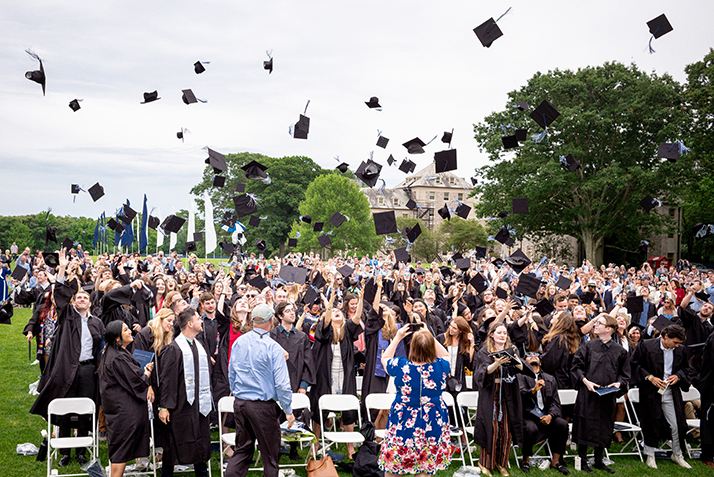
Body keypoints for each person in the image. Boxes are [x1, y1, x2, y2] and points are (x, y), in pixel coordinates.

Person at [30, 249, 104, 467]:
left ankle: (81, 451)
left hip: (88, 370)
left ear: (90, 303)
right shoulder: (67, 315)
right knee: (65, 408)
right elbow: (59, 295)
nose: (82, 299)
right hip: (67, 369)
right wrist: (61, 268)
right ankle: (64, 452)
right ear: (74, 302)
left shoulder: (96, 322)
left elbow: (101, 348)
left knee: (84, 409)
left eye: (85, 297)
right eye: (78, 297)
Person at [226, 303, 295, 477]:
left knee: (241, 450)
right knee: (270, 456)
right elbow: (282, 385)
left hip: (241, 402)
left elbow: (231, 373)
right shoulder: (273, 347)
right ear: (271, 320)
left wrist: (237, 393)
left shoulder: (240, 342)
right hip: (262, 406)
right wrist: (287, 409)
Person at [377, 325, 453, 476]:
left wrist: (398, 337)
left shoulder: (401, 366)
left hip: (403, 418)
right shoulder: (441, 366)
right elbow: (446, 356)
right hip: (432, 418)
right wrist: (429, 336)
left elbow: (385, 358)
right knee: (424, 463)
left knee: (395, 459)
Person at [473, 321, 534, 477]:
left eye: (505, 333)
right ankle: (485, 462)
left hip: (508, 393)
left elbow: (524, 370)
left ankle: (501, 463)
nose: (502, 335)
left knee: (506, 430)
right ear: (492, 334)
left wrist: (516, 361)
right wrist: (496, 364)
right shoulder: (484, 351)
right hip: (490, 393)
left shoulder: (512, 350)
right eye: (499, 332)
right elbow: (481, 373)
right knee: (491, 428)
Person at [570, 313, 630, 474]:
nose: (595, 325)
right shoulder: (588, 346)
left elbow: (625, 374)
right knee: (585, 424)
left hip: (607, 395)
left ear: (608, 329)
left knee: (604, 426)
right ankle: (582, 460)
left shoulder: (620, 351)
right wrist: (585, 381)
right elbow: (576, 367)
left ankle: (598, 460)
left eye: (599, 323)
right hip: (587, 393)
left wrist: (618, 383)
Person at [629, 324, 693, 469]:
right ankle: (650, 455)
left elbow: (686, 368)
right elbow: (634, 364)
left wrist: (678, 376)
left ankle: (677, 454)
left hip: (671, 391)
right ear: (665, 337)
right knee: (651, 422)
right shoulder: (646, 345)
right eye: (675, 342)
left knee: (677, 423)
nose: (677, 346)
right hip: (650, 392)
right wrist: (650, 377)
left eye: (679, 343)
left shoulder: (681, 350)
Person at [159, 308, 212, 477]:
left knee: (201, 445)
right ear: (190, 324)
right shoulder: (173, 349)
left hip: (199, 406)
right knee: (173, 446)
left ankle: (202, 474)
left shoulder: (199, 346)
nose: (201, 321)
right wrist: (164, 407)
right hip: (181, 406)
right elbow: (166, 380)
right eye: (198, 319)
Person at [99, 320, 154, 477]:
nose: (130, 331)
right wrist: (147, 374)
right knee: (121, 452)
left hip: (119, 410)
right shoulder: (117, 357)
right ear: (117, 337)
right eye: (125, 330)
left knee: (120, 450)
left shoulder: (114, 353)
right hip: (124, 412)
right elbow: (136, 381)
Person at [269, 301, 315, 461]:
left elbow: (308, 361)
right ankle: (277, 447)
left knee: (295, 415)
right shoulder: (271, 335)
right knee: (276, 416)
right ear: (280, 316)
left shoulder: (302, 337)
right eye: (288, 311)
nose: (292, 313)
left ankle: (294, 447)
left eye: (292, 310)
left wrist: (303, 385)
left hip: (295, 380)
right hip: (275, 382)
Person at [517, 353, 570, 475]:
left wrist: (550, 416)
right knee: (530, 428)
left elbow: (556, 403)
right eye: (528, 355)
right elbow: (520, 397)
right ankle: (525, 460)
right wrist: (533, 390)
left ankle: (556, 461)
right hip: (528, 416)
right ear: (524, 363)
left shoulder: (550, 378)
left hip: (547, 416)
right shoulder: (520, 377)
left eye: (536, 355)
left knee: (562, 423)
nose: (533, 356)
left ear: (540, 362)